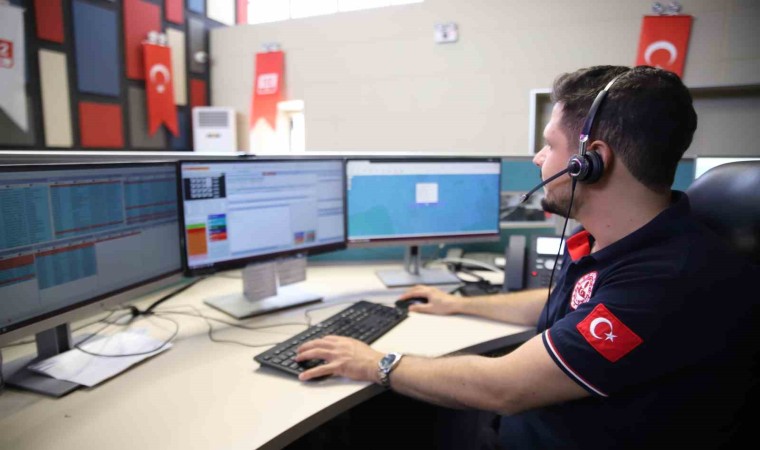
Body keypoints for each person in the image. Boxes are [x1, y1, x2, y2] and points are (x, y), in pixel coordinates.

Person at [295, 65, 759, 448]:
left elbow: (504, 387)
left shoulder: (663, 282)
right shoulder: (618, 240)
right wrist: (458, 303)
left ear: (591, 160)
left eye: (550, 145)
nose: (538, 158)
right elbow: (568, 303)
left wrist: (374, 363)